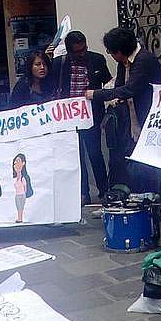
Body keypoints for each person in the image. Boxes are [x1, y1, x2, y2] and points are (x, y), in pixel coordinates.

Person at [87, 27, 161, 191]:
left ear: (120, 51)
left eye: (111, 52)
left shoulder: (143, 60)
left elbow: (130, 89)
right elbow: (119, 86)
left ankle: (150, 195)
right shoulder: (124, 62)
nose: (110, 55)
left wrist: (97, 94)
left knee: (146, 164)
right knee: (129, 161)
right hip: (131, 119)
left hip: (148, 117)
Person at [52, 31, 113, 204]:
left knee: (95, 153)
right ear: (69, 51)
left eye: (84, 49)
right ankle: (83, 193)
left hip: (91, 114)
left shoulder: (97, 59)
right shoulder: (60, 64)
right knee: (76, 155)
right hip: (68, 117)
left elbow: (108, 83)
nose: (82, 54)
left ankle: (103, 190)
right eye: (77, 52)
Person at [12, 153, 32, 223]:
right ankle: (19, 218)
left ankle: (20, 219)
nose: (16, 164)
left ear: (23, 163)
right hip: (17, 195)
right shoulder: (15, 178)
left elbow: (25, 187)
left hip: (21, 195)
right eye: (15, 163)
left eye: (18, 161)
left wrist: (24, 194)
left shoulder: (24, 178)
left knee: (21, 207)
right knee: (19, 208)